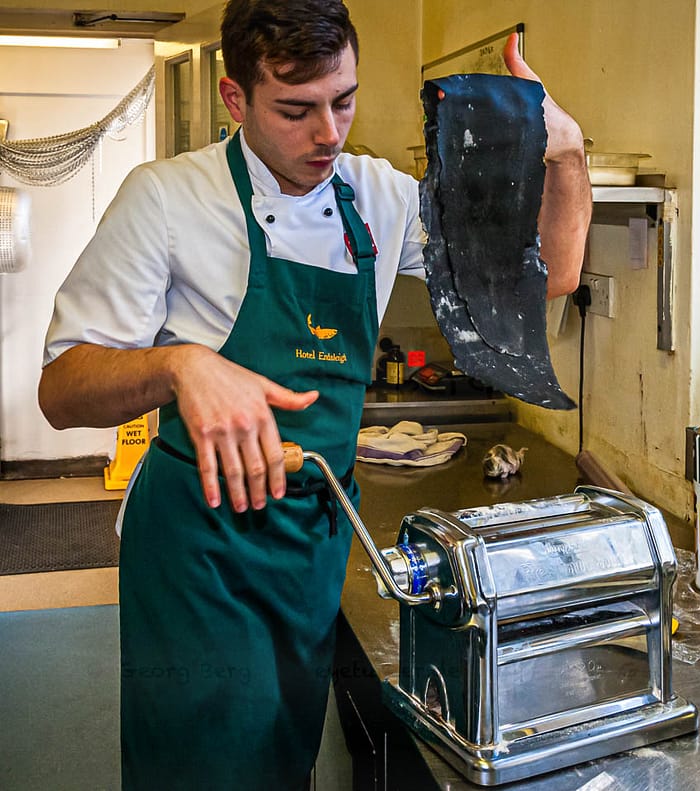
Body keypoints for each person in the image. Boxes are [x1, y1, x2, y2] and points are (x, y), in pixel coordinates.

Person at [37, 1, 590, 788]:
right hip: (201, 551)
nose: (328, 133)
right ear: (236, 100)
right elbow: (61, 388)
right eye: (295, 110)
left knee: (281, 763)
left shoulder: (378, 197)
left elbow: (550, 280)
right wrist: (179, 366)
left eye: (343, 100)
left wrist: (564, 156)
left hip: (313, 541)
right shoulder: (166, 200)